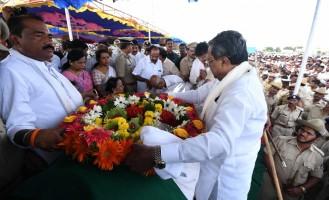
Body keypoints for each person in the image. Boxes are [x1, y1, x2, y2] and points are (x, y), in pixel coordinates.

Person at [125, 30, 267, 200]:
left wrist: (156, 155)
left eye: (210, 62)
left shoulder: (241, 92)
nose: (208, 67)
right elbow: (199, 95)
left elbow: (218, 142)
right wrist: (165, 96)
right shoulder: (229, 77)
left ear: (225, 61)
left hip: (225, 178)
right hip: (209, 165)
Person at [0, 15, 83, 167]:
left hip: (79, 147)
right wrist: (36, 137)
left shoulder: (43, 63)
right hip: (54, 161)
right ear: (16, 39)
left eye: (49, 36)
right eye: (39, 35)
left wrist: (82, 99)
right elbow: (17, 127)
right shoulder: (11, 70)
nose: (48, 41)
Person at [260, 119, 325, 200]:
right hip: (270, 181)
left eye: (309, 133)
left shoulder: (318, 156)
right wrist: (275, 177)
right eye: (302, 130)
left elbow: (316, 176)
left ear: (316, 139)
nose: (303, 134)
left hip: (293, 192)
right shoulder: (281, 140)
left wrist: (302, 189)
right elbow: (267, 155)